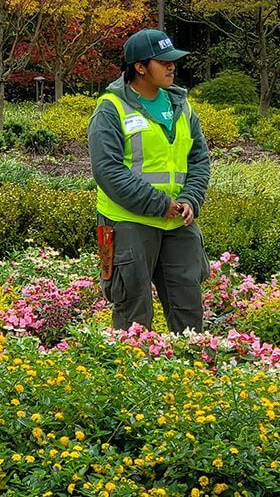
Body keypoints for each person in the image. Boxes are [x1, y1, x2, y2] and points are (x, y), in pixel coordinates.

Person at [87, 28, 211, 332]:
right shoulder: (110, 108)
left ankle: (191, 372)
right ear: (140, 67)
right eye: (163, 61)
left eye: (173, 61)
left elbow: (198, 159)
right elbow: (107, 170)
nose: (171, 67)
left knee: (188, 310)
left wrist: (190, 199)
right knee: (133, 314)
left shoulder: (182, 107)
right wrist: (158, 203)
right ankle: (131, 375)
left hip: (177, 223)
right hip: (129, 223)